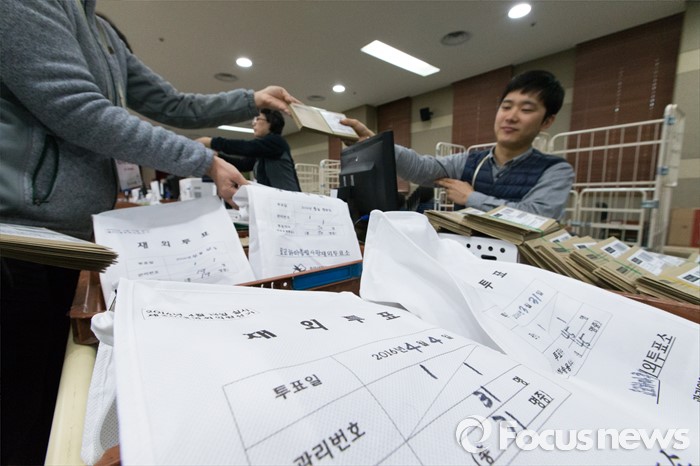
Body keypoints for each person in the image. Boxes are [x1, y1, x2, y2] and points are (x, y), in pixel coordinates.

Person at [0, 1, 299, 463]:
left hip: (76, 241)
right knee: (18, 398)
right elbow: (77, 108)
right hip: (21, 237)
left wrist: (248, 99)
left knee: (55, 393)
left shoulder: (103, 32)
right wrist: (201, 159)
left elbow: (171, 103)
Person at [341, 70, 574, 220]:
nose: (511, 116)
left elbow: (537, 217)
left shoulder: (556, 170)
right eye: (506, 106)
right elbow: (422, 168)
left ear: (547, 121)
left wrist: (471, 198)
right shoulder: (470, 161)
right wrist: (378, 145)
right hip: (465, 258)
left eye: (526, 109)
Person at [196, 108, 302, 191]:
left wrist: (211, 141)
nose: (253, 123)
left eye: (258, 119)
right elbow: (244, 165)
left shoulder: (276, 141)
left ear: (271, 122)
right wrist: (218, 156)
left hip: (288, 200)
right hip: (273, 199)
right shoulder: (263, 150)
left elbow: (246, 147)